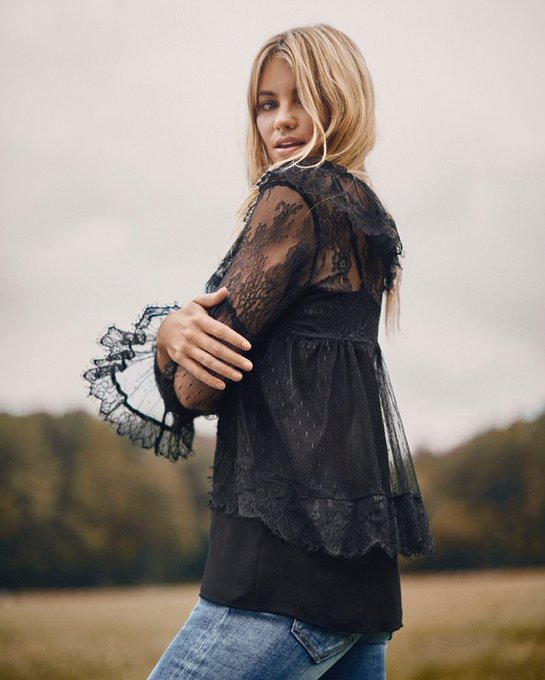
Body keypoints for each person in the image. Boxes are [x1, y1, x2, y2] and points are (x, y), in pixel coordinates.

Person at [84, 23, 433, 679]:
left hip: (276, 582)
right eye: (266, 104)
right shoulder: (369, 218)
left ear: (345, 98)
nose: (282, 119)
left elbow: (197, 388)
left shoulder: (292, 199)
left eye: (303, 97)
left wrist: (167, 333)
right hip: (361, 596)